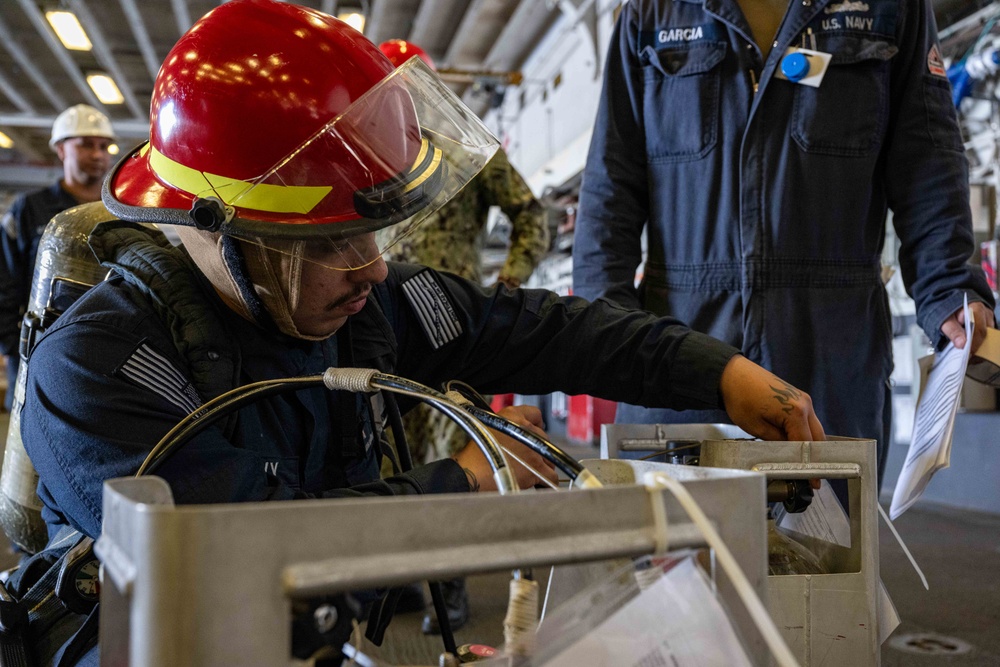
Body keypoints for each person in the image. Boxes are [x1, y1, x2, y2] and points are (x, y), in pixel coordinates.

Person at [17, 1, 824, 663]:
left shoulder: (354, 302)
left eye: (375, 234)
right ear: (222, 229)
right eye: (334, 241)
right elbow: (245, 570)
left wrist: (719, 372)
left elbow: (546, 331)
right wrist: (465, 482)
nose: (373, 268)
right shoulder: (98, 368)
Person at [572, 0, 996, 490]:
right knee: (677, 534)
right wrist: (606, 331)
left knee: (835, 534)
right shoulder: (652, 13)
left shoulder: (891, 6)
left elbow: (927, 160)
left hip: (832, 351)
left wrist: (947, 288)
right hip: (680, 345)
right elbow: (610, 189)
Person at [377, 38, 551, 634]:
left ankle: (449, 585)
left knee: (458, 460)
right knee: (388, 457)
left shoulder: (461, 150)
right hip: (384, 327)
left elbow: (532, 214)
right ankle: (402, 577)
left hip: (452, 330)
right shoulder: (373, 154)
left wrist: (509, 283)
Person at [0, 104, 115, 410]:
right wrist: (13, 346)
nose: (98, 154)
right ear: (61, 150)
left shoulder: (118, 212)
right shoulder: (30, 209)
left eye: (104, 146)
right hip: (36, 349)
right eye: (86, 145)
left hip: (103, 351)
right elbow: (4, 278)